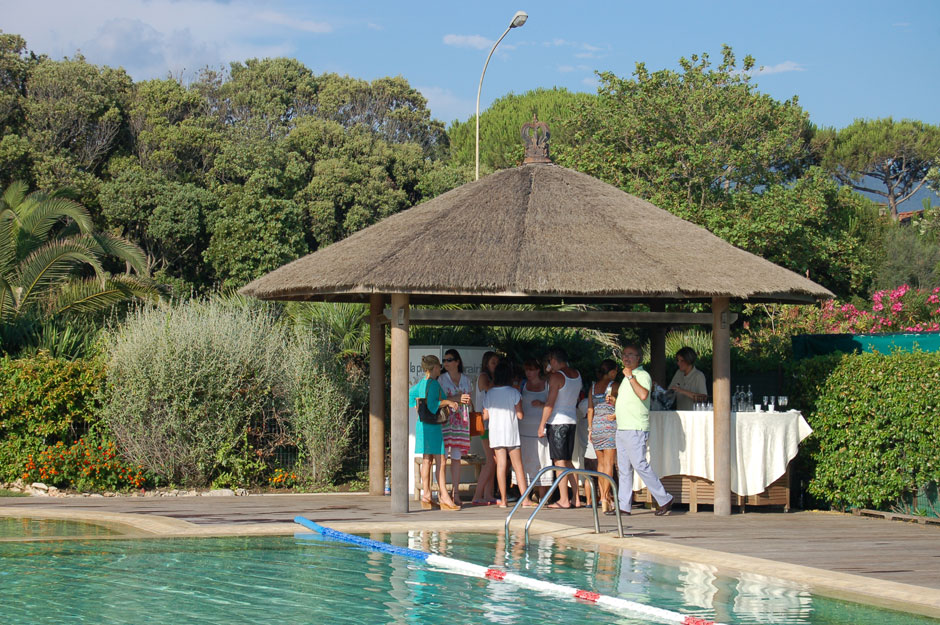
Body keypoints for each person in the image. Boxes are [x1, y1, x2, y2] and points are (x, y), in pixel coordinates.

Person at [615, 342, 674, 516]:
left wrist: (631, 377)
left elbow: (643, 394)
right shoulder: (627, 377)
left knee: (639, 464)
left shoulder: (641, 375)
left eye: (630, 354)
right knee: (624, 469)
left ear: (638, 358)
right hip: (623, 427)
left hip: (635, 427)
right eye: (624, 354)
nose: (626, 357)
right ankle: (624, 506)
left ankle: (664, 498)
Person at [409, 354, 460, 511]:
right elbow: (433, 405)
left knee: (427, 460)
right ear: (434, 368)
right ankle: (444, 496)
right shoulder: (433, 384)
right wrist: (449, 402)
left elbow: (411, 394)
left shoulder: (421, 383)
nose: (441, 368)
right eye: (439, 366)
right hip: (433, 426)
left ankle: (427, 496)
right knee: (441, 460)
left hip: (423, 424)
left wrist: (417, 406)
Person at [537, 347, 583, 509]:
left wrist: (542, 424)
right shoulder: (576, 374)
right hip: (571, 420)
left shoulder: (556, 377)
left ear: (554, 361)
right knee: (568, 461)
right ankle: (575, 497)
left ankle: (564, 498)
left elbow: (551, 403)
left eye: (550, 361)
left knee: (559, 461)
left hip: (557, 422)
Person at [482, 360, 532, 508]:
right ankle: (525, 499)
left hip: (496, 433)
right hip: (511, 432)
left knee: (501, 465)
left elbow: (485, 416)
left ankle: (503, 500)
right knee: (517, 466)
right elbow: (520, 415)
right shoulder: (514, 392)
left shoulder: (490, 394)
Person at [439, 348, 472, 505]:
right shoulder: (441, 379)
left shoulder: (466, 379)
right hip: (446, 420)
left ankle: (455, 493)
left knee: (457, 457)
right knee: (443, 457)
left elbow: (470, 400)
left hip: (462, 421)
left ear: (457, 362)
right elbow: (440, 399)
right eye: (444, 360)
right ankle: (443, 491)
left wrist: (466, 400)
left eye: (449, 360)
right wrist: (456, 397)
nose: (446, 363)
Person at [588, 359, 619, 513]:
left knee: (600, 464)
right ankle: (605, 498)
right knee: (609, 464)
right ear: (612, 371)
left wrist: (590, 429)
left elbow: (590, 410)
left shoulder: (593, 387)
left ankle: (603, 498)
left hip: (596, 426)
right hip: (609, 425)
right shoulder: (614, 386)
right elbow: (622, 404)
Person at [518, 358, 551, 502]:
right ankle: (527, 494)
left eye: (531, 370)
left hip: (540, 429)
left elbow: (553, 403)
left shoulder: (547, 385)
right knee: (525, 461)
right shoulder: (522, 385)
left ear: (538, 370)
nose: (529, 373)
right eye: (527, 370)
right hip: (524, 429)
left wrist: (542, 404)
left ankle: (543, 496)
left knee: (542, 460)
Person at [471, 351, 500, 505]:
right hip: (485, 421)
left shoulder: (488, 376)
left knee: (493, 460)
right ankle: (477, 495)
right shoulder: (484, 376)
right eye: (493, 362)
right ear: (486, 363)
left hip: (490, 421)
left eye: (497, 363)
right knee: (491, 460)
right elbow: (489, 389)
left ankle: (488, 494)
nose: (496, 365)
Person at [669, 347, 709, 411]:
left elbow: (704, 398)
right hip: (680, 415)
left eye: (682, 361)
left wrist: (682, 391)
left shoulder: (699, 375)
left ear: (689, 361)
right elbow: (669, 393)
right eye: (678, 360)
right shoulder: (678, 373)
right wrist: (657, 388)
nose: (678, 363)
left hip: (694, 416)